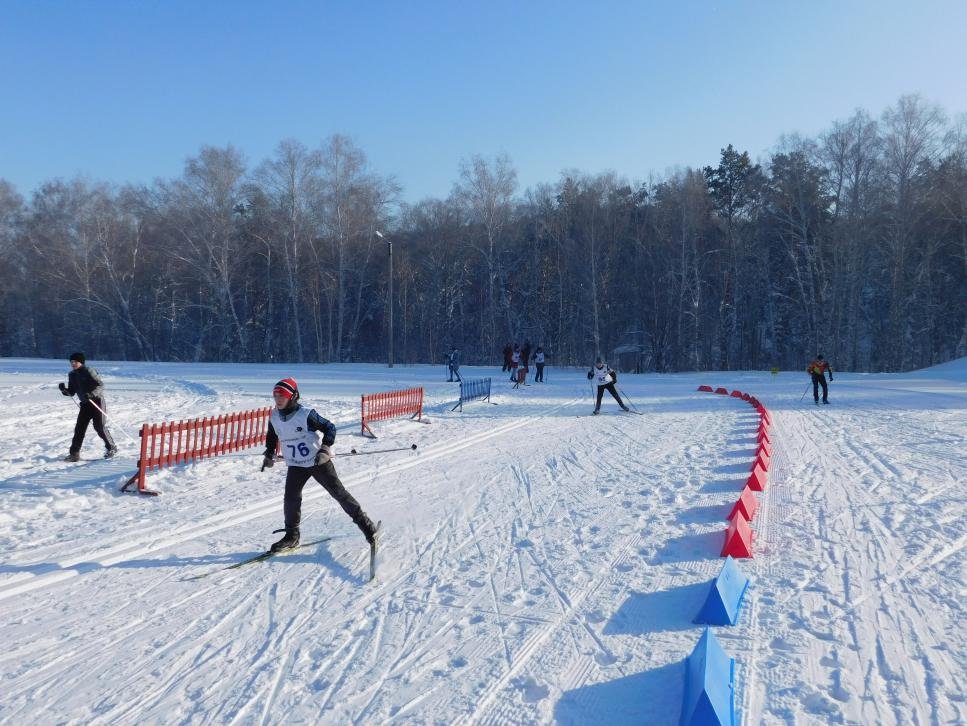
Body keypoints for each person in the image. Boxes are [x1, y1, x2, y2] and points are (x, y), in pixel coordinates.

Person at [262, 378, 379, 552]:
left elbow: (330, 428)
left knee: (339, 494)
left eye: (283, 396)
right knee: (291, 499)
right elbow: (272, 436)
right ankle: (292, 536)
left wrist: (324, 449)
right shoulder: (274, 416)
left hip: (318, 462)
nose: (278, 400)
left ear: (293, 397)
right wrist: (269, 453)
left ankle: (367, 526)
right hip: (295, 465)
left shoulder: (306, 415)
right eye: (276, 396)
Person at [58, 352, 117, 461]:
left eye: (75, 361)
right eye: (71, 362)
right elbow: (72, 392)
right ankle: (74, 454)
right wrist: (64, 390)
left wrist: (91, 394)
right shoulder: (72, 375)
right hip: (85, 404)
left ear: (81, 362)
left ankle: (111, 448)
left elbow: (100, 385)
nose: (73, 364)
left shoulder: (89, 371)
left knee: (99, 426)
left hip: (97, 402)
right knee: (79, 429)